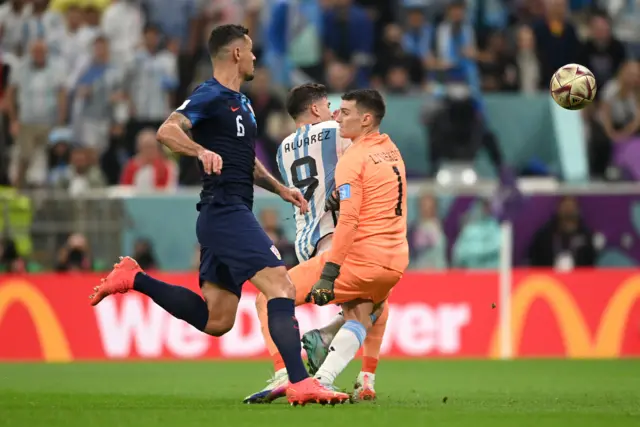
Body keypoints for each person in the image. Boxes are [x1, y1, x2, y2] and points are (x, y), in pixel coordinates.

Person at [88, 25, 349, 406]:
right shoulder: (209, 94)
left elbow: (247, 162)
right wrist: (198, 152)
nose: (256, 57)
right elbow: (166, 131)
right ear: (236, 55)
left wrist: (281, 190)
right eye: (251, 50)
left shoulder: (242, 104)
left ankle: (134, 277)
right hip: (223, 211)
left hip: (229, 211)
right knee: (282, 287)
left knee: (218, 320)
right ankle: (299, 381)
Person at [244, 84, 388, 404]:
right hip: (340, 241)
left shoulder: (283, 150)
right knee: (369, 306)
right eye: (328, 105)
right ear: (315, 109)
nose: (335, 111)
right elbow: (367, 139)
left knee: (271, 298)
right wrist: (344, 122)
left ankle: (286, 370)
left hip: (307, 243)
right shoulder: (335, 132)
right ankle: (332, 370)